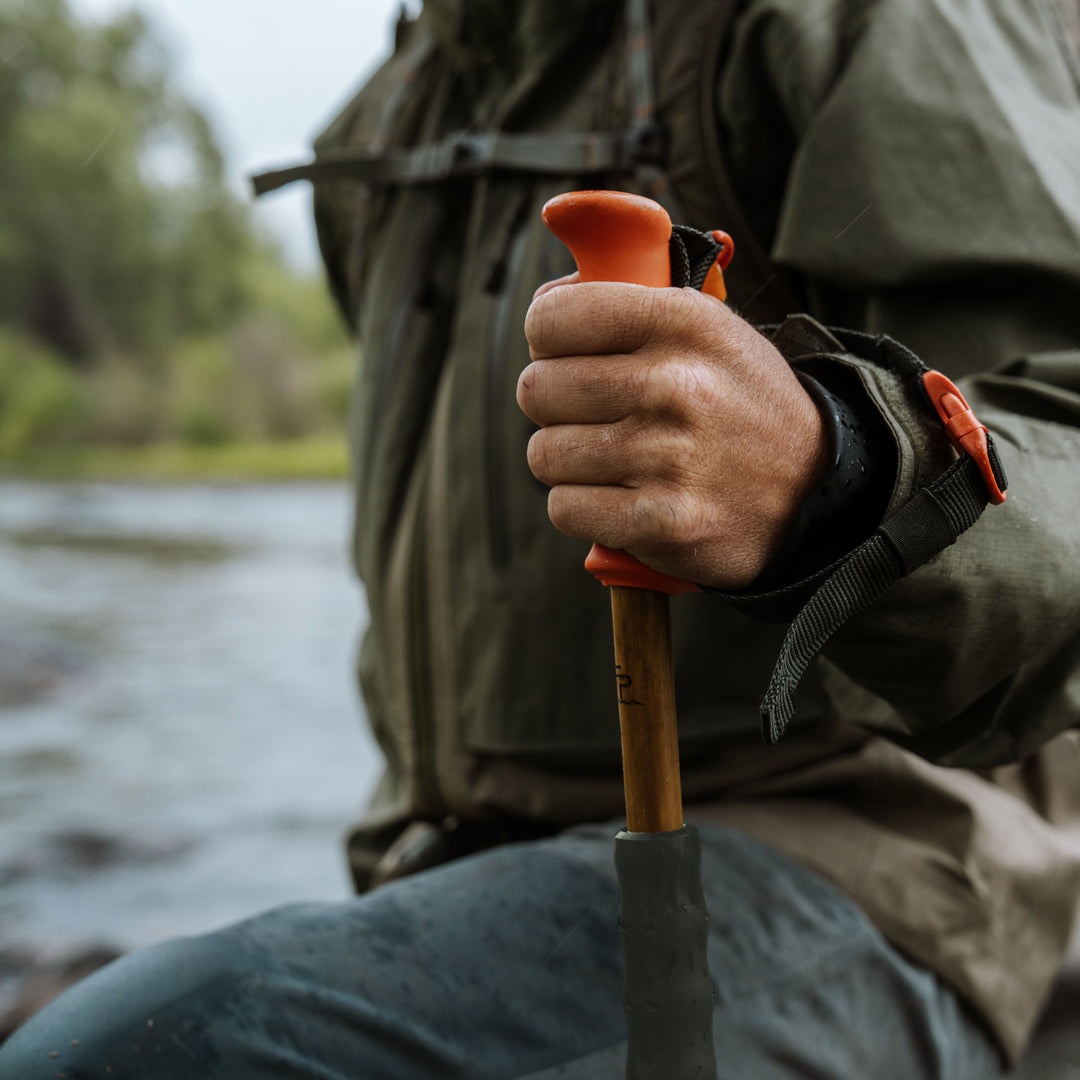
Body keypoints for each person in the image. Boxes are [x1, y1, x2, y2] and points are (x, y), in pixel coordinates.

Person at [4, 0, 1080, 1076]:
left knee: (143, 1053)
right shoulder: (404, 97)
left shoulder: (862, 21)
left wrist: (831, 471)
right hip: (454, 868)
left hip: (876, 867)